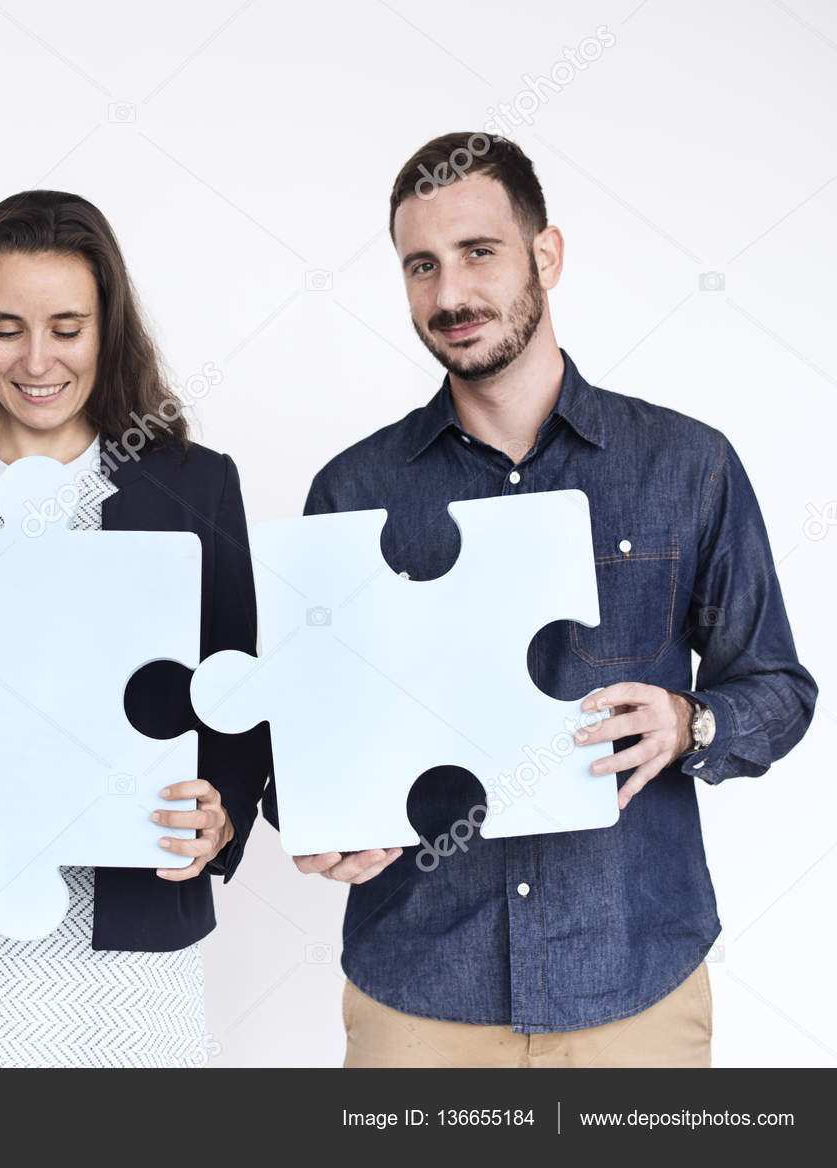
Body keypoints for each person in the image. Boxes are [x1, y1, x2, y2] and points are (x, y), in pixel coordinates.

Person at [288, 132, 817, 1067]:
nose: (450, 295)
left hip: (634, 981)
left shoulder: (689, 466)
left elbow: (777, 687)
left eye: (478, 253)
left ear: (546, 255)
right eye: (422, 265)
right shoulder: (351, 491)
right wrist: (316, 824)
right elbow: (304, 734)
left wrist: (689, 721)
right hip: (419, 991)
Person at [0, 190, 269, 1067]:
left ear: (108, 331)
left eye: (67, 327)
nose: (37, 359)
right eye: (7, 327)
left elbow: (238, 698)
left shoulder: (194, 489)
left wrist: (221, 817)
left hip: (130, 950)